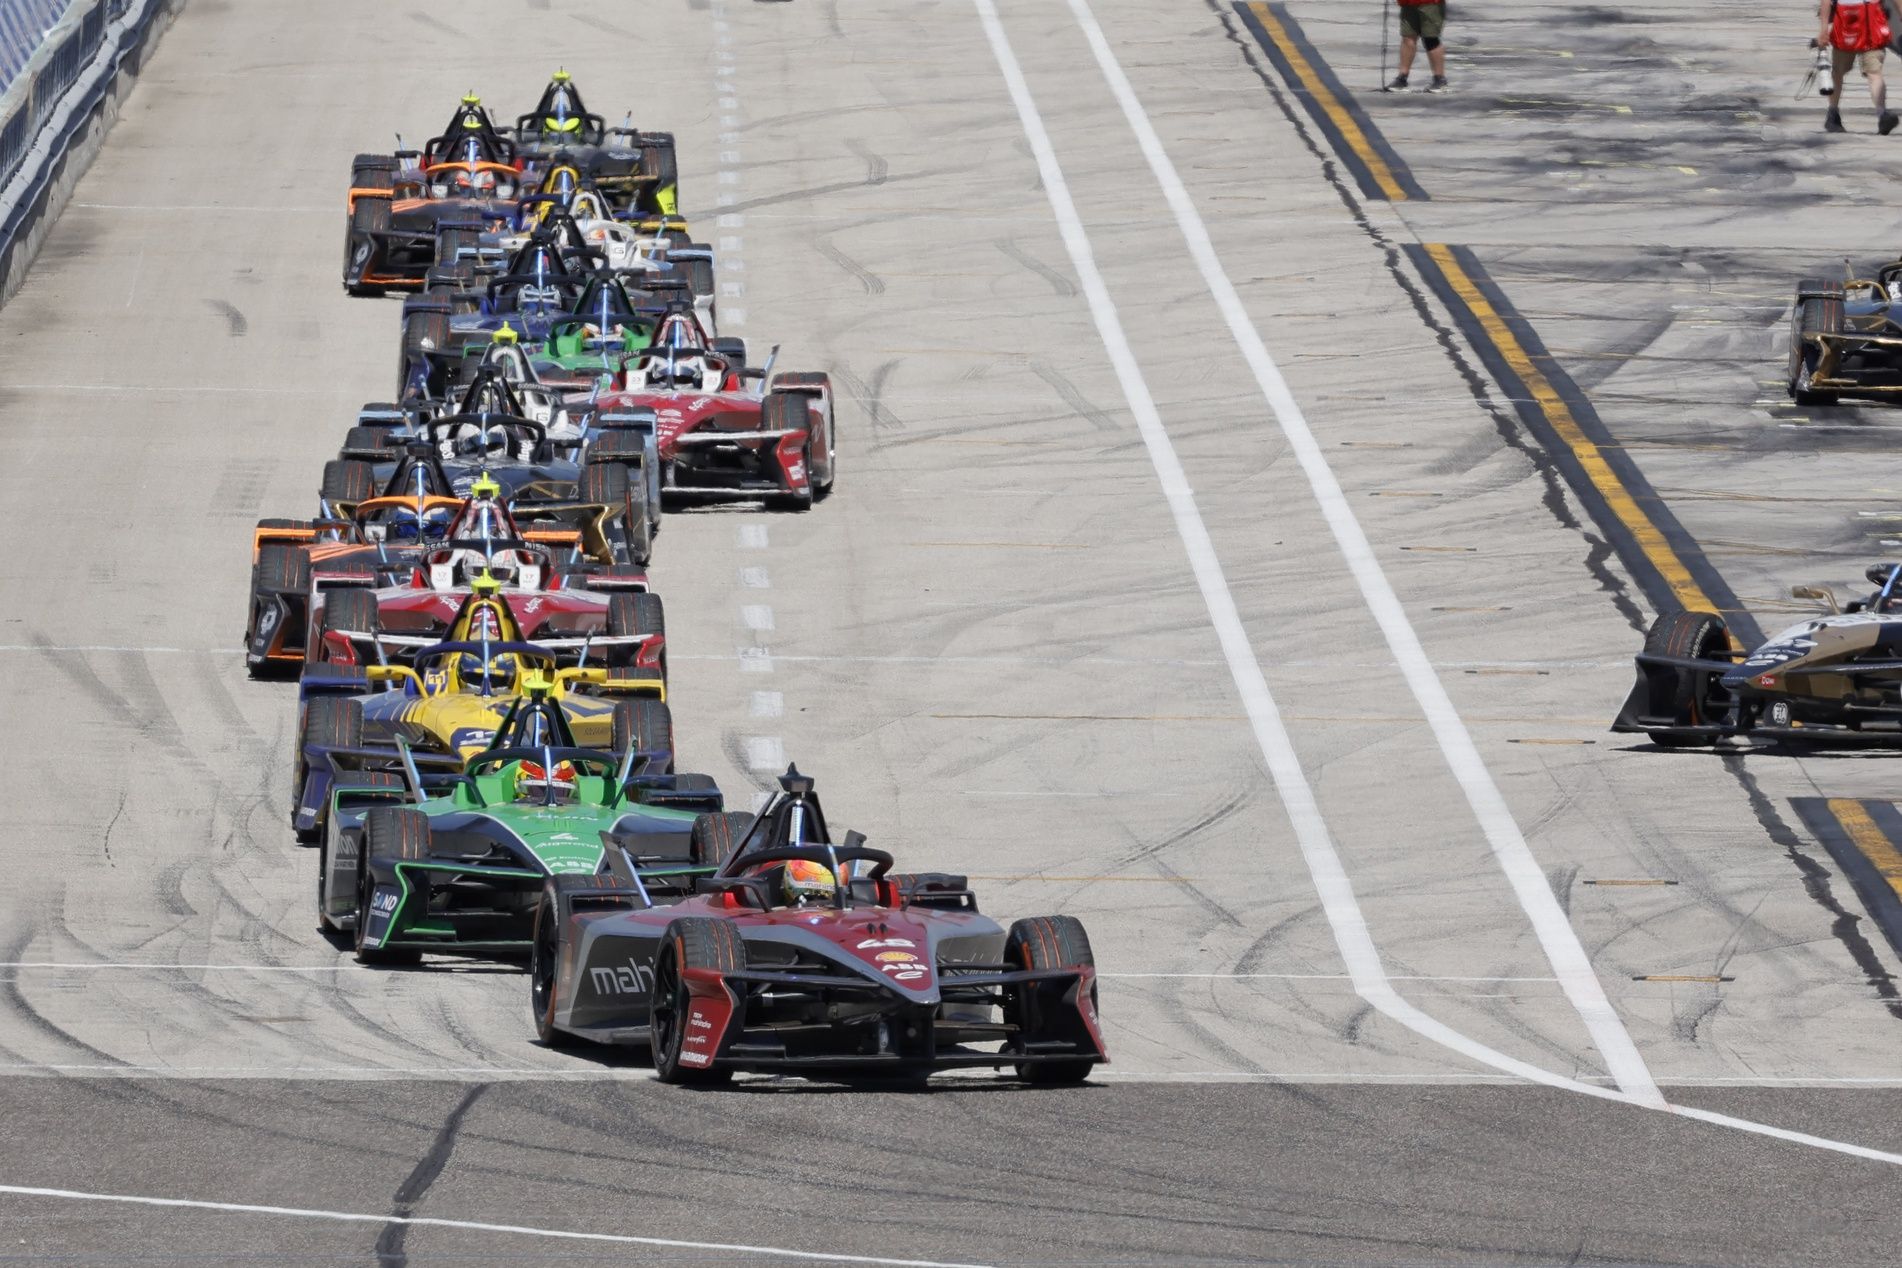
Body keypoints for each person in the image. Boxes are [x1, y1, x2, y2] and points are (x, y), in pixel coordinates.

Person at [1819, 0, 1898, 133]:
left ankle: (1881, 115)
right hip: (1853, 23)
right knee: (1843, 72)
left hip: (1864, 23)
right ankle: (1834, 113)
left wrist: (1824, 30)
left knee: (1871, 71)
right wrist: (1823, 30)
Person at [1387, 0, 1448, 93]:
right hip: (1407, 3)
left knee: (1430, 39)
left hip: (1431, 4)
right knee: (1408, 37)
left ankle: (1440, 79)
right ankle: (1402, 78)